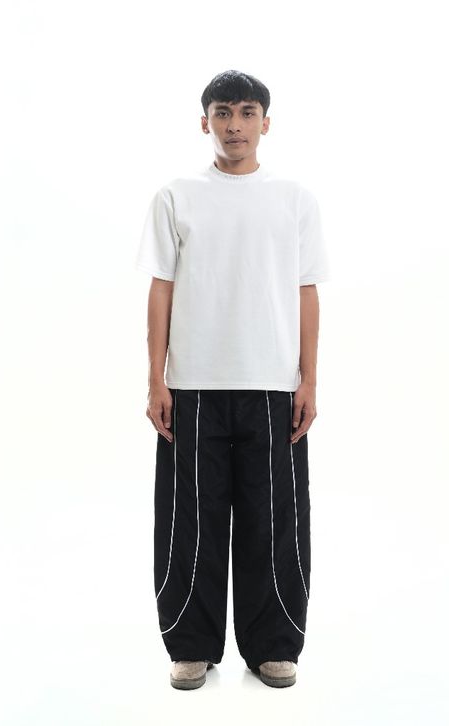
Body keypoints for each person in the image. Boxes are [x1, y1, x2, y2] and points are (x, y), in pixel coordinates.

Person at [134, 69, 331, 689]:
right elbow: (161, 288)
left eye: (247, 113)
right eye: (223, 112)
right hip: (193, 385)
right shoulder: (176, 196)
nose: (235, 125)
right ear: (205, 122)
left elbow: (306, 290)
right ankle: (190, 646)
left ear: (266, 123)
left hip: (272, 384)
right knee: (190, 520)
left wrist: (309, 380)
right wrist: (156, 379)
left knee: (273, 521)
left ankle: (274, 647)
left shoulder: (294, 199)